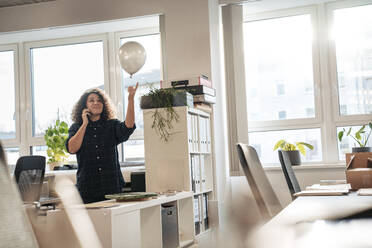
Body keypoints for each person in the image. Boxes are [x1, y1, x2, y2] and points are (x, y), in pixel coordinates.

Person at [66, 84, 138, 203]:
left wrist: (130, 98)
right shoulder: (77, 127)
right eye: (91, 100)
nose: (96, 103)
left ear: (104, 105)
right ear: (85, 106)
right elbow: (72, 148)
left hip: (112, 188)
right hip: (87, 190)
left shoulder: (112, 125)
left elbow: (128, 126)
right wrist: (84, 124)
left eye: (99, 100)